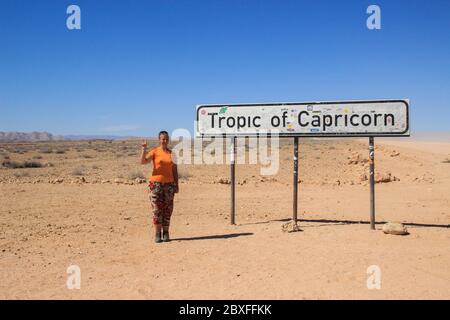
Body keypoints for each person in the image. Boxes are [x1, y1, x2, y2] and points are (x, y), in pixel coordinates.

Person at [140, 131, 179, 243]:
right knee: (157, 210)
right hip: (155, 185)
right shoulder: (155, 152)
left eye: (166, 139)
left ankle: (166, 233)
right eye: (162, 139)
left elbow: (175, 171)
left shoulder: (172, 154)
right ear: (159, 140)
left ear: (168, 140)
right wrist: (143, 149)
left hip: (169, 185)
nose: (164, 141)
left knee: (168, 209)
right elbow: (143, 162)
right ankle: (157, 234)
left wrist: (177, 185)